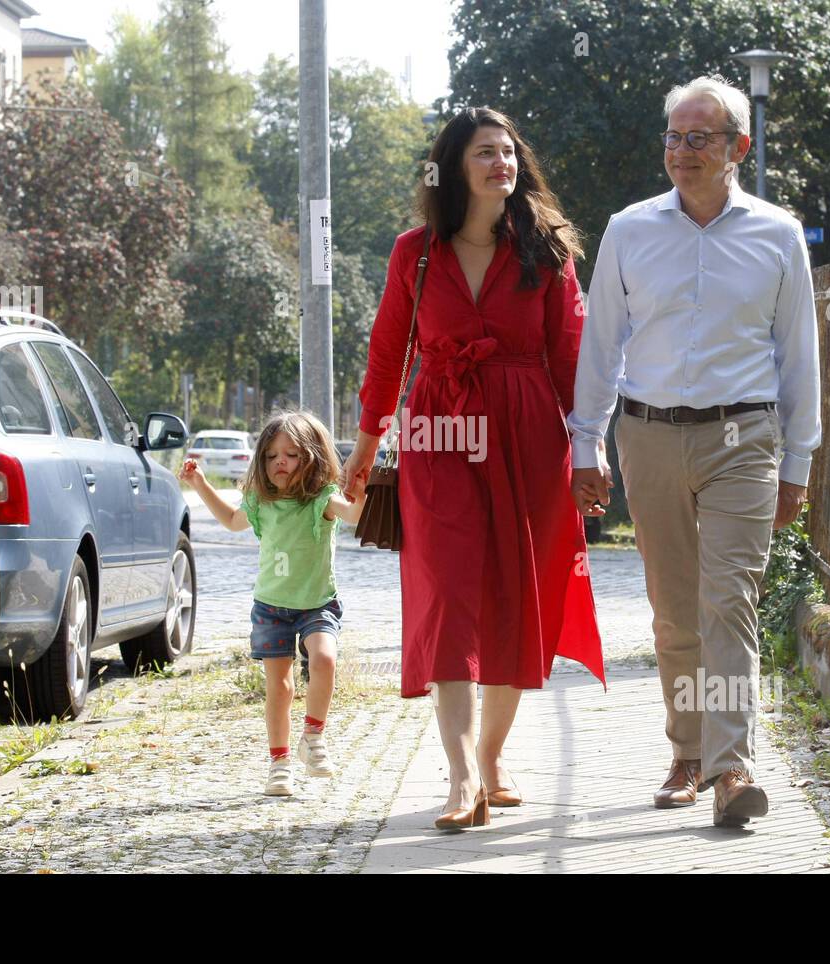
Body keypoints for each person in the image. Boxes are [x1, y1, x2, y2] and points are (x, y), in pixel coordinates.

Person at [342, 107, 605, 831]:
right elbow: (388, 351)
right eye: (486, 153)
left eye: (510, 152)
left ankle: (491, 755)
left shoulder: (546, 249)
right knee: (448, 597)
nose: (502, 164)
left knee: (518, 596)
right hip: (440, 432)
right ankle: (461, 779)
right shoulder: (414, 253)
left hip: (527, 434)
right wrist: (365, 449)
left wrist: (591, 449)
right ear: (455, 166)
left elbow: (573, 355)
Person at [569, 74, 822, 829]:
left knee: (728, 601)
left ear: (738, 147)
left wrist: (798, 464)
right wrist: (587, 441)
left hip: (745, 436)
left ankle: (732, 764)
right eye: (675, 137)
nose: (683, 151)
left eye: (700, 137)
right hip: (646, 434)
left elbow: (798, 354)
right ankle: (687, 752)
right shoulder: (629, 229)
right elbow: (601, 343)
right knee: (675, 610)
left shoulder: (777, 235)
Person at [179, 409, 367, 797]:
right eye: (271, 455)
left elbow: (352, 515)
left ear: (312, 458)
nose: (280, 461)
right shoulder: (261, 501)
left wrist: (361, 495)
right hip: (271, 607)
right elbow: (231, 521)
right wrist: (198, 483)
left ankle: (313, 736)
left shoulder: (321, 499)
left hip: (317, 603)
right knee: (279, 688)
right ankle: (279, 762)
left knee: (325, 659)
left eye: (292, 454)